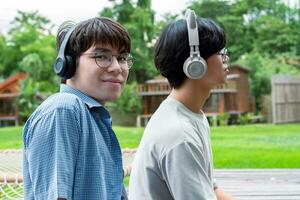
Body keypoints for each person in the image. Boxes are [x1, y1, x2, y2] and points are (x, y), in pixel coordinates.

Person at [23, 17, 134, 199]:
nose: (116, 67)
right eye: (101, 56)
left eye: (121, 58)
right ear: (68, 63)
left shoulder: (94, 118)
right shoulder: (63, 110)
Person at [129, 10, 234, 200]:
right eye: (221, 52)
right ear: (195, 63)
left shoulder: (189, 114)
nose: (226, 59)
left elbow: (212, 190)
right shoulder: (180, 134)